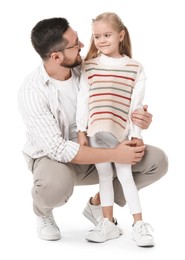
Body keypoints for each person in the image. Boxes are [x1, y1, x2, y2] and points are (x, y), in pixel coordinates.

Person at [18, 17, 168, 244]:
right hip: (56, 160)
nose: (83, 46)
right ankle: (43, 211)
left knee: (157, 160)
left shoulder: (90, 68)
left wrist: (139, 117)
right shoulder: (32, 91)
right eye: (75, 44)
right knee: (54, 186)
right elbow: (59, 149)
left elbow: (117, 103)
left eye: (80, 39)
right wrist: (116, 155)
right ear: (56, 56)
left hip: (98, 145)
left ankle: (98, 206)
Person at [76, 12, 154, 246]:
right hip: (95, 130)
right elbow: (83, 100)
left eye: (107, 35)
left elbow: (136, 106)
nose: (101, 40)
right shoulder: (89, 67)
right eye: (97, 36)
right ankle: (107, 223)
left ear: (120, 35)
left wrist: (136, 136)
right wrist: (81, 132)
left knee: (125, 176)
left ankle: (139, 224)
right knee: (104, 175)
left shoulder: (134, 68)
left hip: (120, 133)